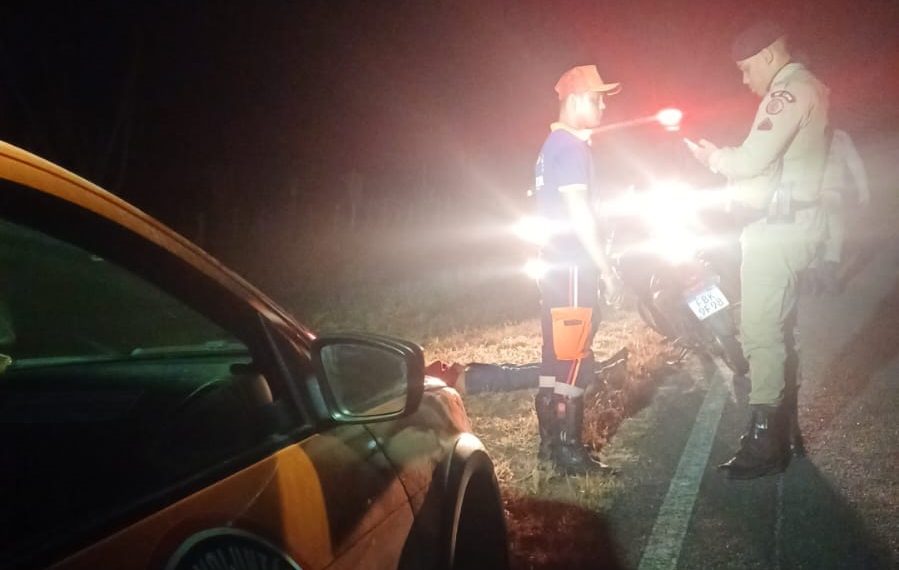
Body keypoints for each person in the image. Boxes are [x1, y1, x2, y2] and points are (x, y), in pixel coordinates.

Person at [688, 22, 830, 479]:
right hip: (796, 222)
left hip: (777, 229)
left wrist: (712, 158)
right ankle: (786, 434)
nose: (745, 80)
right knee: (780, 332)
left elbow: (751, 160)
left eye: (747, 69)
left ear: (769, 56)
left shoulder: (786, 93)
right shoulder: (812, 86)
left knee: (761, 334)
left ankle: (765, 443)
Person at [533, 64, 622, 475]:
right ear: (572, 99)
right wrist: (604, 268)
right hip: (572, 266)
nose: (603, 105)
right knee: (572, 357)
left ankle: (551, 445)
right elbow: (578, 212)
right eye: (596, 97)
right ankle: (568, 451)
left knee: (554, 357)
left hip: (554, 263)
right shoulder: (570, 147)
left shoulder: (552, 145)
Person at [812, 128, 870, 293]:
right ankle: (824, 272)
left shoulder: (812, 132)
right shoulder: (841, 137)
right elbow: (855, 162)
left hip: (814, 195)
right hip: (826, 193)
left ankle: (814, 274)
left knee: (818, 233)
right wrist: (864, 190)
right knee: (834, 233)